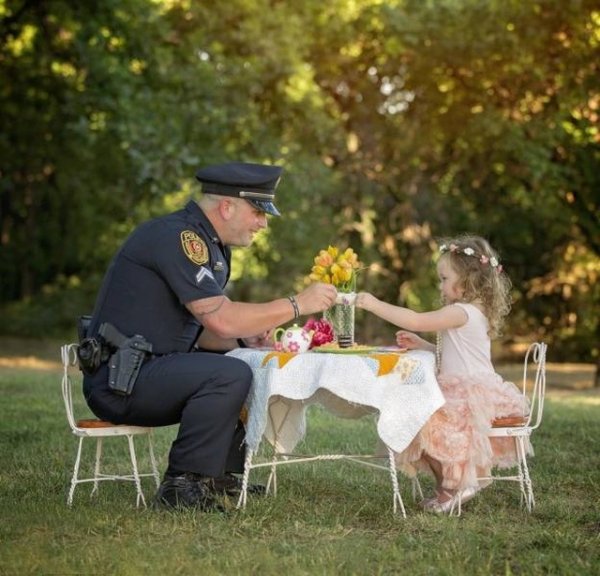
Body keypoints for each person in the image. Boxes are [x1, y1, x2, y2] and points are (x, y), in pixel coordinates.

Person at [81, 161, 337, 511]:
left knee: (239, 359)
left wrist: (247, 340)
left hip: (149, 368)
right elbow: (220, 319)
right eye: (258, 211)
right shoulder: (179, 238)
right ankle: (181, 486)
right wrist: (297, 304)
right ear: (227, 206)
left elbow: (203, 332)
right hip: (120, 382)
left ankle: (219, 475)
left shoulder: (211, 243)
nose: (263, 223)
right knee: (230, 373)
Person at [355, 234, 530, 514]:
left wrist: (373, 304)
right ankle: (449, 488)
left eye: (444, 278)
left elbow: (416, 319)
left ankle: (456, 487)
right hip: (465, 388)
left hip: (469, 395)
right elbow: (457, 353)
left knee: (418, 420)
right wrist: (423, 345)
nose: (441, 284)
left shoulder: (462, 312)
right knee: (416, 418)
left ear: (468, 280)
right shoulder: (469, 311)